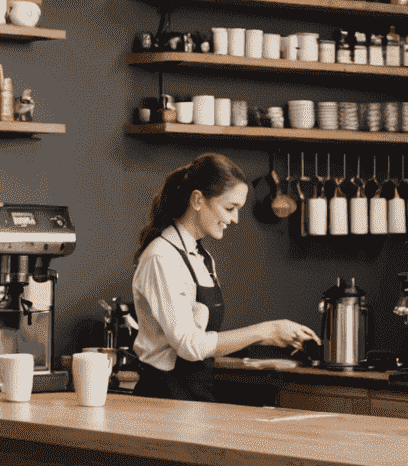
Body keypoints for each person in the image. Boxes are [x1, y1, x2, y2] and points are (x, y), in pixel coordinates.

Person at [131, 153, 317, 401]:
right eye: (229, 208)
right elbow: (189, 345)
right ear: (197, 200)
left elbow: (202, 341)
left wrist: (273, 336)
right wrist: (266, 330)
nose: (235, 219)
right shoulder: (162, 257)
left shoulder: (203, 257)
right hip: (164, 399)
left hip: (195, 397)